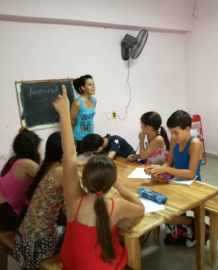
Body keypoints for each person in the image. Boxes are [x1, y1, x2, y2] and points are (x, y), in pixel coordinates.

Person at [53, 86, 144, 270]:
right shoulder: (114, 205)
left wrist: (64, 114)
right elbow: (140, 209)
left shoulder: (74, 201)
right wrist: (119, 186)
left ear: (84, 180)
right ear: (111, 182)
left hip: (72, 264)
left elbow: (69, 155)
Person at [147, 110, 202, 247]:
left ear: (187, 129)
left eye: (176, 132)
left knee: (165, 211)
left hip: (193, 185)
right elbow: (169, 163)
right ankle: (177, 223)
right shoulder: (173, 140)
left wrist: (164, 169)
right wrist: (157, 171)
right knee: (154, 200)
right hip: (177, 181)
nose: (172, 136)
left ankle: (187, 223)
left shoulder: (194, 143)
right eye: (171, 132)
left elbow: (191, 173)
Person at [14, 132, 65, 268]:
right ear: (64, 153)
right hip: (38, 244)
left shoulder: (45, 165)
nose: (76, 152)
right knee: (76, 233)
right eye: (74, 149)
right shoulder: (60, 172)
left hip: (23, 240)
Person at [0, 127, 42, 230]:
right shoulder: (26, 163)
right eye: (40, 145)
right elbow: (49, 179)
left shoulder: (13, 160)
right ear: (35, 147)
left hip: (3, 210)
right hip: (7, 215)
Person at [71, 75, 96, 154]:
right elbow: (71, 121)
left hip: (91, 136)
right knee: (81, 161)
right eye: (89, 85)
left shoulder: (94, 100)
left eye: (93, 84)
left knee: (90, 160)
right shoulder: (77, 102)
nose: (93, 87)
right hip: (79, 138)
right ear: (82, 87)